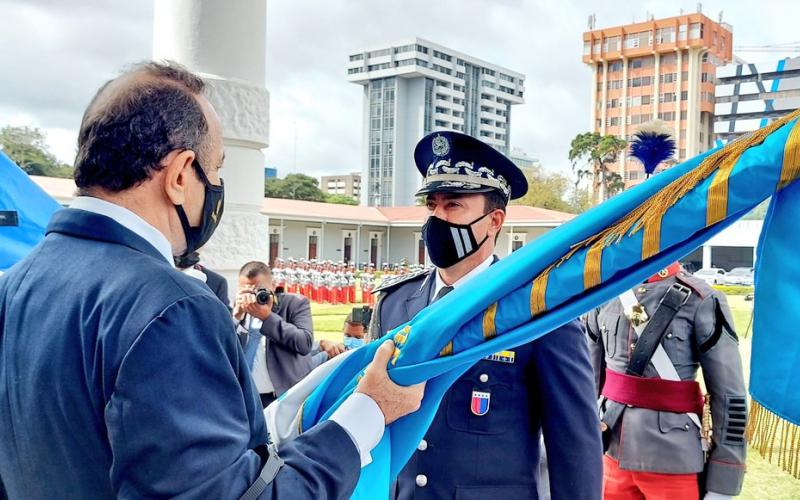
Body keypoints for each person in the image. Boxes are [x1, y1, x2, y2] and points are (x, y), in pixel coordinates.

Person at [0, 61, 424, 499]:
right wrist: (367, 412)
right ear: (182, 175)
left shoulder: (14, 285)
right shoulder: (171, 306)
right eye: (216, 171)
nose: (217, 187)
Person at [369, 131, 602, 499]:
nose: (437, 219)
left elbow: (574, 443)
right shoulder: (395, 304)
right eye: (432, 206)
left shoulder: (535, 312)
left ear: (494, 221)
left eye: (454, 206)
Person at [584, 263, 747, 500]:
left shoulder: (702, 299)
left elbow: (730, 395)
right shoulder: (604, 296)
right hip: (610, 452)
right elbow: (587, 384)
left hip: (673, 459)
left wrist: (723, 480)